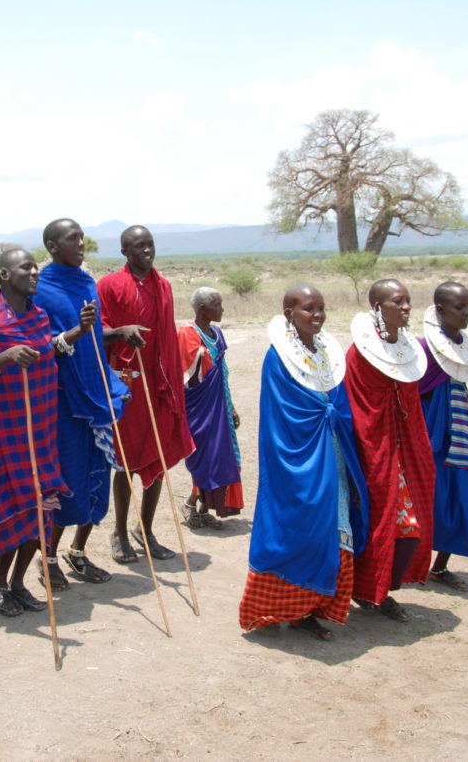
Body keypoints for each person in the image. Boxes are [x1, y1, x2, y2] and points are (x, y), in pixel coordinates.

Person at [0, 249, 89, 617]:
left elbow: (50, 353)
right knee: (9, 510)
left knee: (40, 509)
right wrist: (4, 358)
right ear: (5, 274)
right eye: (26, 267)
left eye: (35, 266)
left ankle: (19, 583)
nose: (35, 271)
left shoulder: (39, 315)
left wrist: (79, 330)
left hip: (38, 429)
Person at [238, 285, 369, 640]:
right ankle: (279, 609)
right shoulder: (277, 358)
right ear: (288, 314)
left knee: (331, 527)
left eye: (322, 308)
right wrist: (322, 419)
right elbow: (282, 417)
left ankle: (312, 609)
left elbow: (338, 401)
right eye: (309, 309)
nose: (318, 315)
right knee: (299, 527)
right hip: (297, 460)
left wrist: (337, 423)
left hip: (335, 458)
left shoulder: (329, 353)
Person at [31, 219, 130, 590]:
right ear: (52, 246)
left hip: (96, 390)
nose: (81, 244)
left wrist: (117, 336)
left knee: (98, 474)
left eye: (82, 238)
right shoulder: (40, 288)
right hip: (62, 399)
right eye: (72, 239)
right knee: (67, 478)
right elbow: (43, 344)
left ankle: (79, 551)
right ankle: (49, 557)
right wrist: (74, 332)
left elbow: (94, 339)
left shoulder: (88, 282)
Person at [97, 225, 194, 564]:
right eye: (139, 246)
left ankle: (145, 529)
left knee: (159, 457)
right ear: (125, 252)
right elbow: (98, 332)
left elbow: (167, 336)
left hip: (160, 384)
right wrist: (122, 334)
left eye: (150, 244)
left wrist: (173, 385)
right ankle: (119, 533)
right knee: (125, 462)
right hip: (126, 384)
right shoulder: (109, 285)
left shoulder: (164, 286)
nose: (147, 251)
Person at [343, 279, 435, 622]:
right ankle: (371, 591)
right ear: (378, 307)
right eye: (398, 302)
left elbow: (410, 401)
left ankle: (382, 589)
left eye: (409, 301)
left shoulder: (409, 351)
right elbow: (360, 409)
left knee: (410, 525)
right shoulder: (360, 353)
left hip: (405, 450)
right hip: (374, 450)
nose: (406, 308)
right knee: (380, 520)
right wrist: (378, 450)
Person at [418, 282, 468, 590]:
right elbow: (414, 390)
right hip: (430, 435)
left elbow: (455, 381)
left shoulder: (466, 346)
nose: (467, 313)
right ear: (441, 310)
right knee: (425, 502)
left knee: (461, 500)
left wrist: (458, 401)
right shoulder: (423, 348)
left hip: (458, 435)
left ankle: (440, 567)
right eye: (460, 307)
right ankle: (412, 565)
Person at [177, 287, 243, 529]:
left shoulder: (217, 333)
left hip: (220, 404)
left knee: (223, 457)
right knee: (206, 457)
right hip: (200, 408)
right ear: (202, 309)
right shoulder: (187, 334)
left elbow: (221, 373)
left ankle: (204, 508)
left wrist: (231, 405)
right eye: (218, 304)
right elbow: (189, 377)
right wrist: (202, 355)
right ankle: (190, 503)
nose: (222, 309)